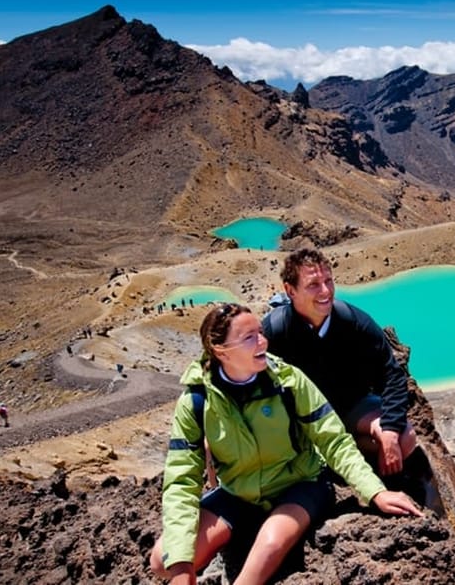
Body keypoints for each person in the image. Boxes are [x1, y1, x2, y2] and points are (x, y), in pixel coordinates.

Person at [150, 303, 422, 585]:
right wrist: (182, 566)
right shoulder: (196, 401)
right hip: (238, 494)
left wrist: (375, 492)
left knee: (267, 548)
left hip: (299, 485)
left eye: (260, 332)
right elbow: (181, 482)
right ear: (221, 351)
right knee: (163, 560)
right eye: (249, 337)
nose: (263, 341)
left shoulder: (288, 381)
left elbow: (335, 442)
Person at [262, 249, 420, 479]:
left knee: (405, 439)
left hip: (349, 409)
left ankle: (342, 455)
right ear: (290, 290)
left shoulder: (354, 322)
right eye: (314, 284)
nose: (325, 291)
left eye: (328, 281)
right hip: (298, 421)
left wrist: (390, 431)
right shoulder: (273, 332)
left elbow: (391, 375)